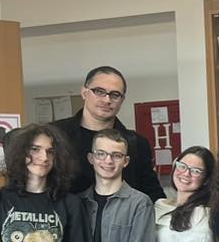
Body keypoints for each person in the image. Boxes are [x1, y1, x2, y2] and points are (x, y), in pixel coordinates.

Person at [51, 66, 165, 201]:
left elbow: (152, 193)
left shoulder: (137, 143)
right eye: (99, 91)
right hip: (64, 214)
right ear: (84, 92)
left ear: (122, 100)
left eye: (115, 95)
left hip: (122, 214)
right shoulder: (54, 135)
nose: (107, 100)